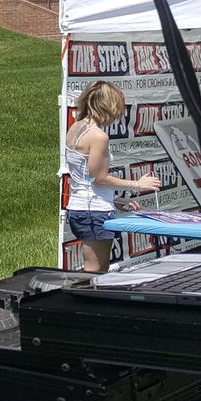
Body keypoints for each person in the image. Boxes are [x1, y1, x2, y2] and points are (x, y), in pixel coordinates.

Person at [64, 81, 161, 272]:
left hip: (81, 207)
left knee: (97, 268)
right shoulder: (98, 136)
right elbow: (99, 178)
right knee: (96, 270)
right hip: (92, 211)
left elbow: (85, 178)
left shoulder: (76, 127)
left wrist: (114, 200)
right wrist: (138, 184)